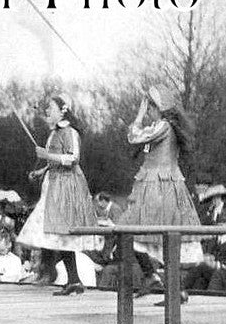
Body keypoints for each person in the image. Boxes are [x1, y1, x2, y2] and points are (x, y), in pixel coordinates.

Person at [118, 86, 203, 301]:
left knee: (155, 235)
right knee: (133, 232)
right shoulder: (161, 126)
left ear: (159, 108)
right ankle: (155, 278)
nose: (147, 111)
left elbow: (134, 136)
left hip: (161, 186)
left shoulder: (164, 126)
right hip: (155, 185)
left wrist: (137, 117)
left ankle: (168, 286)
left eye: (150, 107)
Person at [17, 94, 100, 296]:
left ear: (62, 110)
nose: (47, 112)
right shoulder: (54, 133)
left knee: (58, 232)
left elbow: (73, 158)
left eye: (51, 108)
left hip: (66, 187)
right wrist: (42, 169)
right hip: (54, 184)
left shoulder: (69, 131)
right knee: (52, 233)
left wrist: (47, 156)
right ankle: (62, 275)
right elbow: (54, 161)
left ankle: (53, 271)